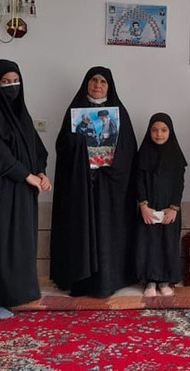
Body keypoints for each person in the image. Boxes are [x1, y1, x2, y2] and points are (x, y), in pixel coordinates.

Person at [0, 59, 52, 321]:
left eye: (16, 81)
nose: (12, 86)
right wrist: (27, 175)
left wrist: (41, 172)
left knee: (16, 245)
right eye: (5, 82)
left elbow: (35, 146)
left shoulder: (20, 112)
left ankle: (11, 296)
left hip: (23, 191)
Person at [50, 67, 138, 298]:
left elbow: (128, 149)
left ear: (109, 86)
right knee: (81, 230)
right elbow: (62, 147)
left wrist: (110, 166)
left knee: (107, 232)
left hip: (109, 185)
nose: (98, 85)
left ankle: (109, 279)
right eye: (93, 81)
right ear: (86, 84)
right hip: (81, 184)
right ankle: (81, 281)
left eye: (103, 82)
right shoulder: (75, 111)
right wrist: (78, 145)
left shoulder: (120, 113)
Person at [135, 113, 187, 298]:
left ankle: (164, 281)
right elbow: (138, 182)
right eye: (155, 130)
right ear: (149, 132)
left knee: (168, 242)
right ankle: (150, 281)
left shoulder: (176, 156)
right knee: (148, 243)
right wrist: (143, 206)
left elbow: (179, 184)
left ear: (170, 132)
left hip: (169, 208)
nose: (159, 134)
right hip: (148, 208)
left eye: (164, 130)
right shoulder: (142, 155)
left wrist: (174, 208)